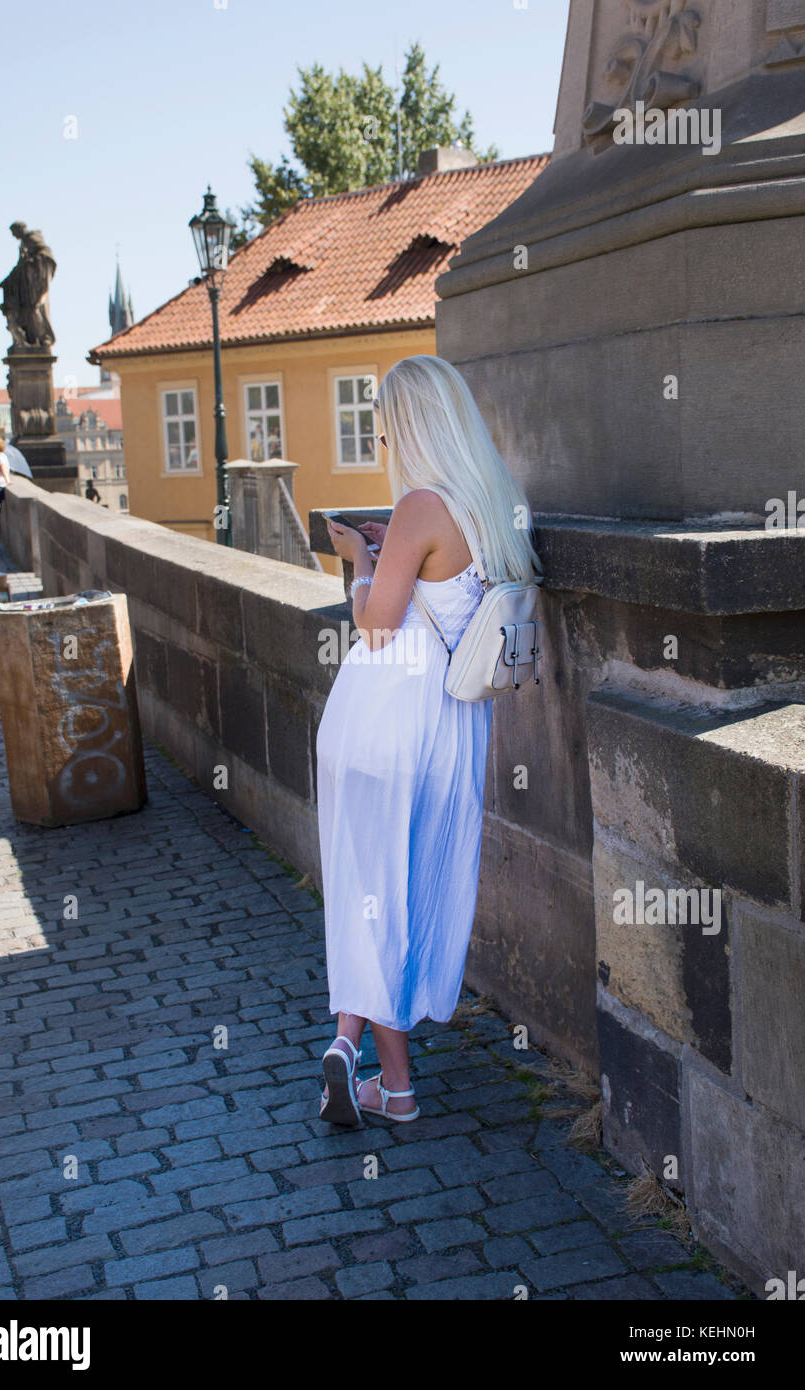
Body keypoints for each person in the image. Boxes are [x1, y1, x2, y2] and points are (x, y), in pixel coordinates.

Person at [316, 355, 542, 1126]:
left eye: (385, 428)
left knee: (365, 885)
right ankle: (363, 1060)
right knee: (404, 885)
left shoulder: (418, 504)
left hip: (386, 716)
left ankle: (392, 1082)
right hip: (454, 723)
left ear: (409, 428)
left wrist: (359, 559)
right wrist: (392, 551)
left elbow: (378, 625)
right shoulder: (497, 499)